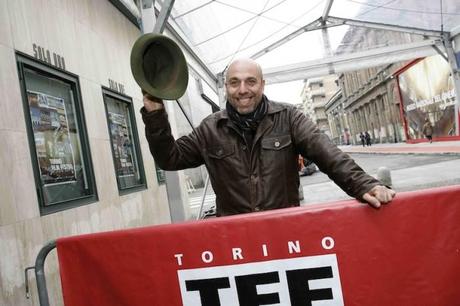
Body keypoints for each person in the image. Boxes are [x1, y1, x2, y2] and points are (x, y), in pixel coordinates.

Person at [141, 58, 395, 216]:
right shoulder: (209, 129)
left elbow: (326, 153)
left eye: (250, 82)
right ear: (226, 87)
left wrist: (364, 184)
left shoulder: (288, 117)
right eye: (234, 83)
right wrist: (155, 114)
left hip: (285, 233)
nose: (243, 90)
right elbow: (169, 158)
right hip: (234, 241)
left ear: (262, 85)